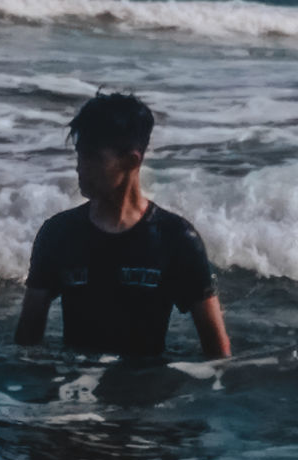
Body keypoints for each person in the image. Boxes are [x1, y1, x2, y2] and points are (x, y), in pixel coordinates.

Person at [14, 92, 231, 359]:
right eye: (79, 155)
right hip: (75, 392)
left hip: (147, 391)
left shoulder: (175, 239)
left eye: (93, 158)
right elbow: (25, 345)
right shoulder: (58, 234)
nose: (80, 168)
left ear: (132, 161)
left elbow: (218, 354)